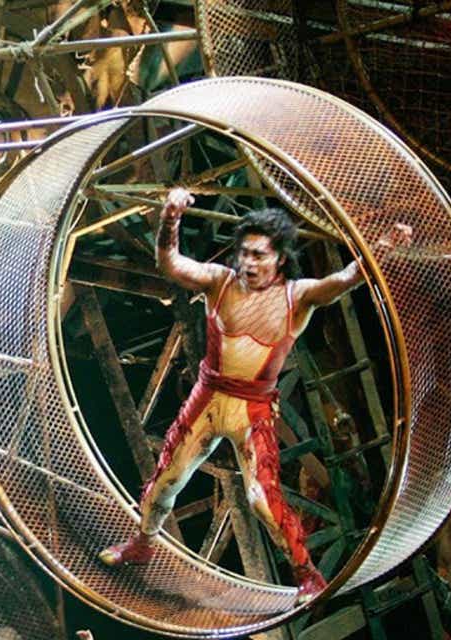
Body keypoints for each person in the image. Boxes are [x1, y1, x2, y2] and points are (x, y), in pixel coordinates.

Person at [98, 187, 411, 603]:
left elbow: (346, 279)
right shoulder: (220, 282)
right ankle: (142, 543)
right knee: (167, 480)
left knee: (262, 499)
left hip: (254, 408)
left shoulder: (297, 297)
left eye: (259, 255)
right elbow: (169, 263)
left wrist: (383, 248)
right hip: (208, 398)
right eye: (244, 253)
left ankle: (307, 574)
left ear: (279, 258)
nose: (248, 262)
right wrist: (170, 219)